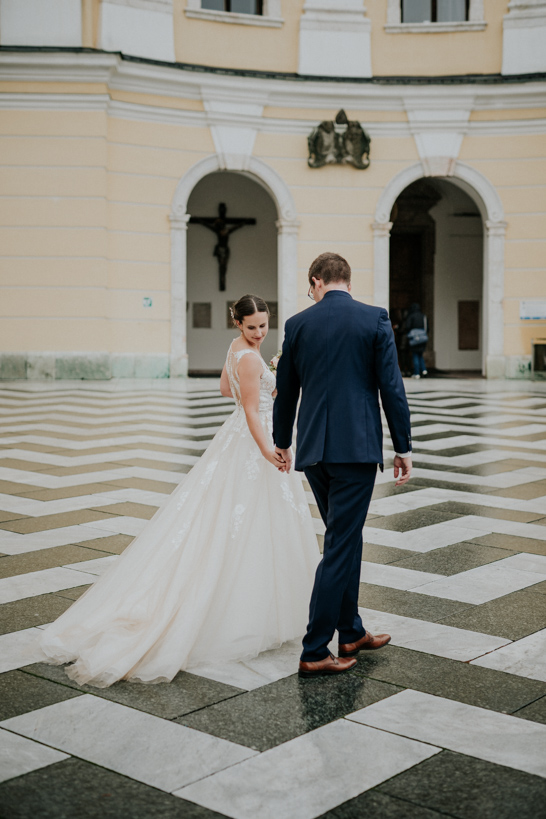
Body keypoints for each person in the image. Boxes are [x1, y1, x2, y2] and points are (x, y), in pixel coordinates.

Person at [39, 295, 320, 688]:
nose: (260, 332)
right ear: (237, 323)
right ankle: (246, 612)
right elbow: (253, 411)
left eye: (264, 324)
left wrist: (254, 389)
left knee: (227, 519)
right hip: (256, 442)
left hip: (233, 438)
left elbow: (228, 390)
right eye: (252, 326)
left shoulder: (235, 350)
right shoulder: (253, 357)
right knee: (253, 523)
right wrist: (268, 448)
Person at [273, 252, 413, 679]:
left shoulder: (298, 325)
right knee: (340, 544)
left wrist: (282, 442)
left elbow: (286, 392)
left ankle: (350, 632)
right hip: (355, 451)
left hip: (314, 450)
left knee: (344, 538)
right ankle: (315, 649)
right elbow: (391, 386)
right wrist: (403, 446)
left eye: (309, 287)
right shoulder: (373, 319)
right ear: (347, 281)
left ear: (317, 281)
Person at [405, 302, 428, 379]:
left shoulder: (411, 316)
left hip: (414, 338)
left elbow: (407, 326)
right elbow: (427, 328)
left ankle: (417, 373)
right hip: (422, 338)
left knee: (415, 355)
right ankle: (424, 370)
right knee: (420, 355)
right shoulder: (423, 316)